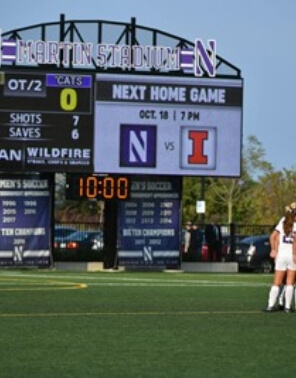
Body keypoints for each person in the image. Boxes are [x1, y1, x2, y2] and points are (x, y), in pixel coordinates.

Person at [264, 203, 296, 313]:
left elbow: (273, 237)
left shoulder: (283, 221)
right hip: (292, 256)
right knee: (290, 283)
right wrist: (294, 254)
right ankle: (287, 307)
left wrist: (273, 250)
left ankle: (270, 306)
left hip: (281, 255)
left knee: (276, 282)